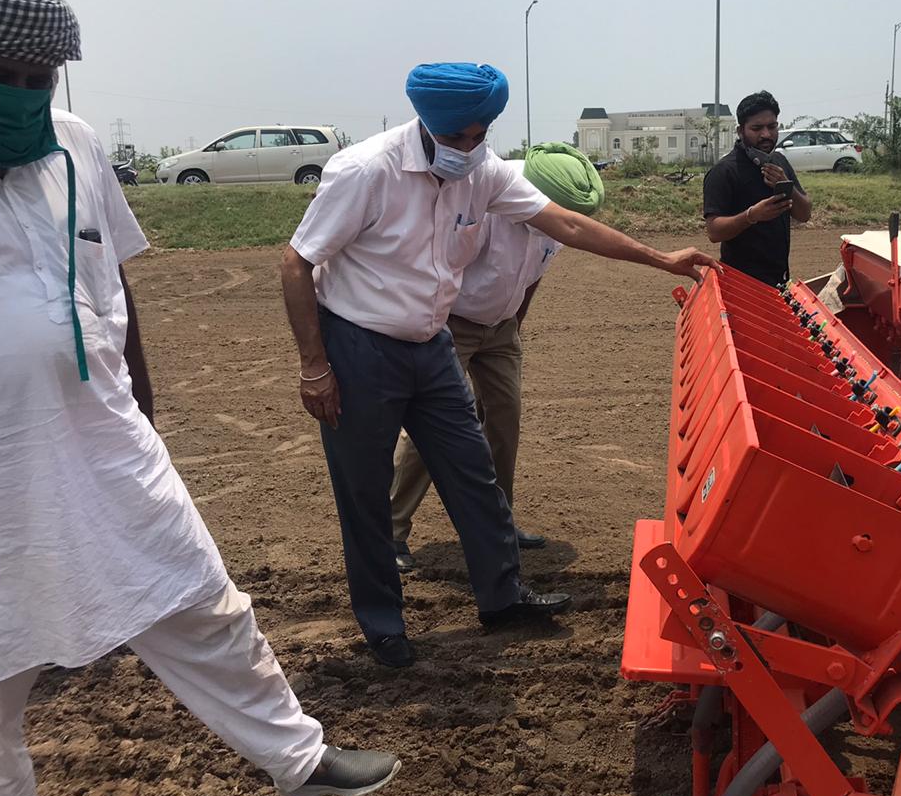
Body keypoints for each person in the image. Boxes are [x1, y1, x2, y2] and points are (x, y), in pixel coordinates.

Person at [0, 0, 400, 796]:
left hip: (103, 433)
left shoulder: (76, 143)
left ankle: (301, 754)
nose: (20, 95)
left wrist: (141, 400)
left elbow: (113, 275)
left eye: (36, 78)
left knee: (195, 588)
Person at [280, 62, 718, 669]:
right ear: (428, 123)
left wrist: (661, 258)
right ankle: (383, 626)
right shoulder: (365, 171)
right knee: (362, 492)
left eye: (478, 134)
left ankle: (503, 597)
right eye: (455, 137)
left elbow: (563, 222)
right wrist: (315, 367)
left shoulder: (482, 172)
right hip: (361, 346)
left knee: (474, 470)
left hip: (431, 343)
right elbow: (297, 263)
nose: (467, 148)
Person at [388, 142, 599, 571]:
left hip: (500, 327)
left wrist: (514, 324)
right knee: (433, 427)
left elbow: (533, 276)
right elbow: (438, 268)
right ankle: (388, 532)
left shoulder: (558, 218)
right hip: (452, 323)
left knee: (505, 418)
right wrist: (436, 335)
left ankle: (496, 524)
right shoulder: (485, 204)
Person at [703, 90, 813, 286]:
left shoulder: (780, 162)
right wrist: (752, 215)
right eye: (757, 128)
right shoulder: (724, 171)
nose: (766, 134)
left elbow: (804, 214)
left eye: (772, 127)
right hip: (741, 286)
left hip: (778, 282)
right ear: (740, 131)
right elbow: (714, 232)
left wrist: (785, 182)